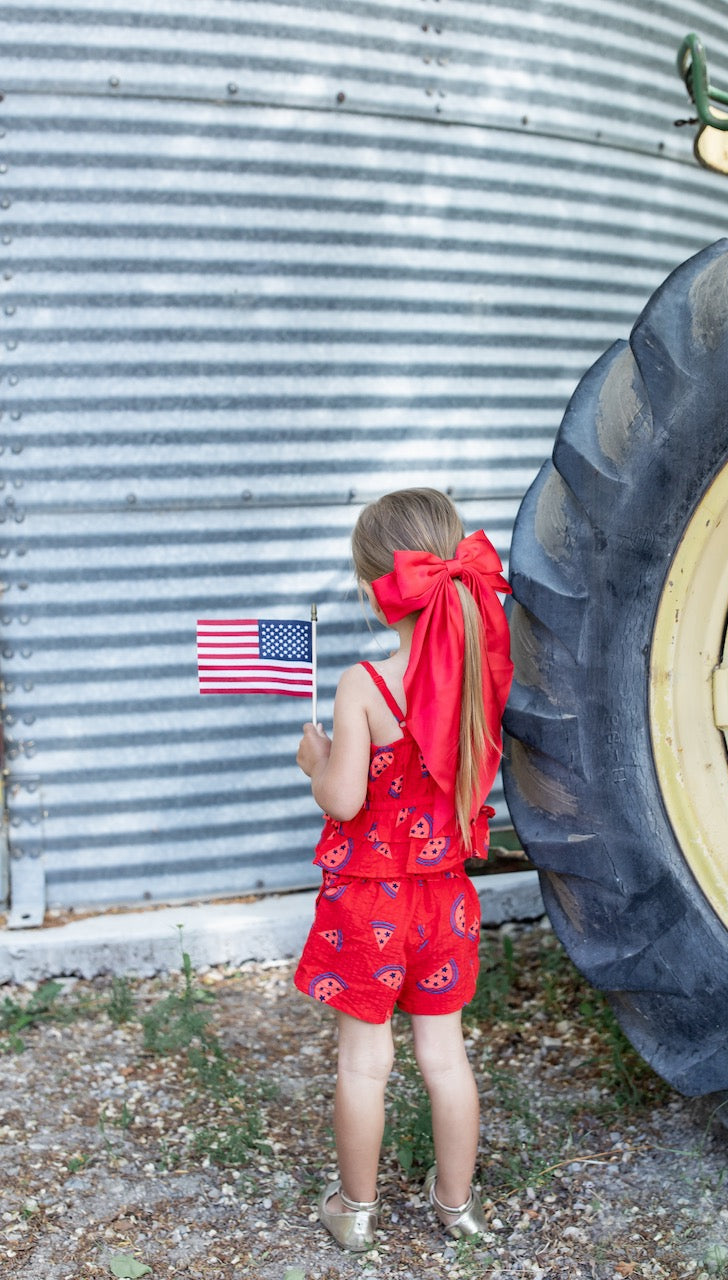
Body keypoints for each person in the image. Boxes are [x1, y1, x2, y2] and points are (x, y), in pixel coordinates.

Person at [293, 487, 513, 1252]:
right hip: (445, 902)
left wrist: (315, 765)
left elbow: (346, 801)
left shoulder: (367, 685)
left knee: (365, 1063)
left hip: (368, 907)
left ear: (370, 587)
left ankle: (354, 1213)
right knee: (445, 1058)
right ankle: (457, 1207)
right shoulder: (480, 681)